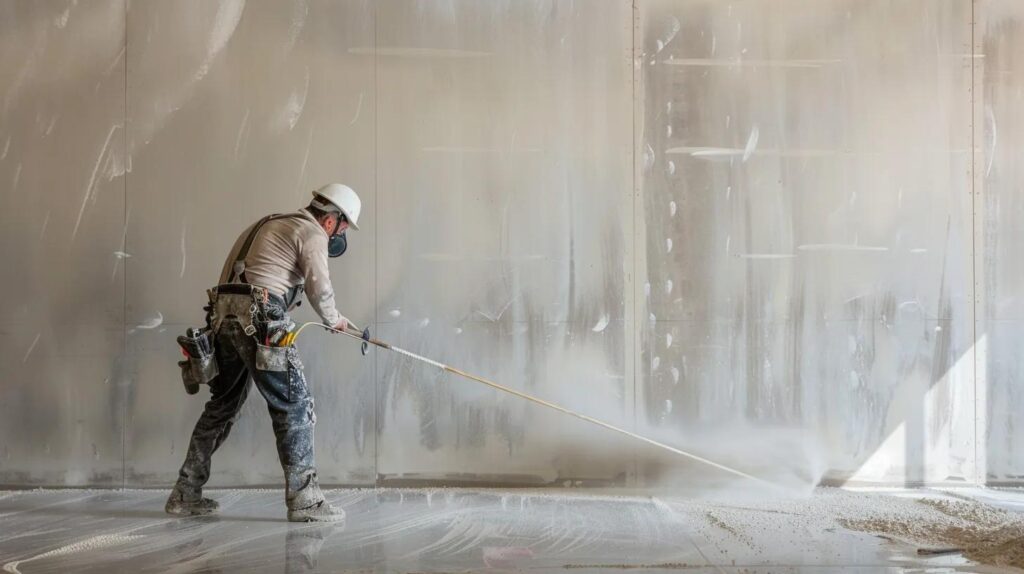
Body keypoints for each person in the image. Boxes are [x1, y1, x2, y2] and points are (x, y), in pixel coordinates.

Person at [165, 183, 361, 522]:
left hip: (223, 316)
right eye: (344, 227)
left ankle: (185, 493)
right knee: (295, 406)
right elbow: (319, 286)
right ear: (331, 220)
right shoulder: (311, 233)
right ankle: (306, 502)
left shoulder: (270, 222)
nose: (340, 235)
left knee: (221, 406)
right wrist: (334, 320)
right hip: (260, 317)